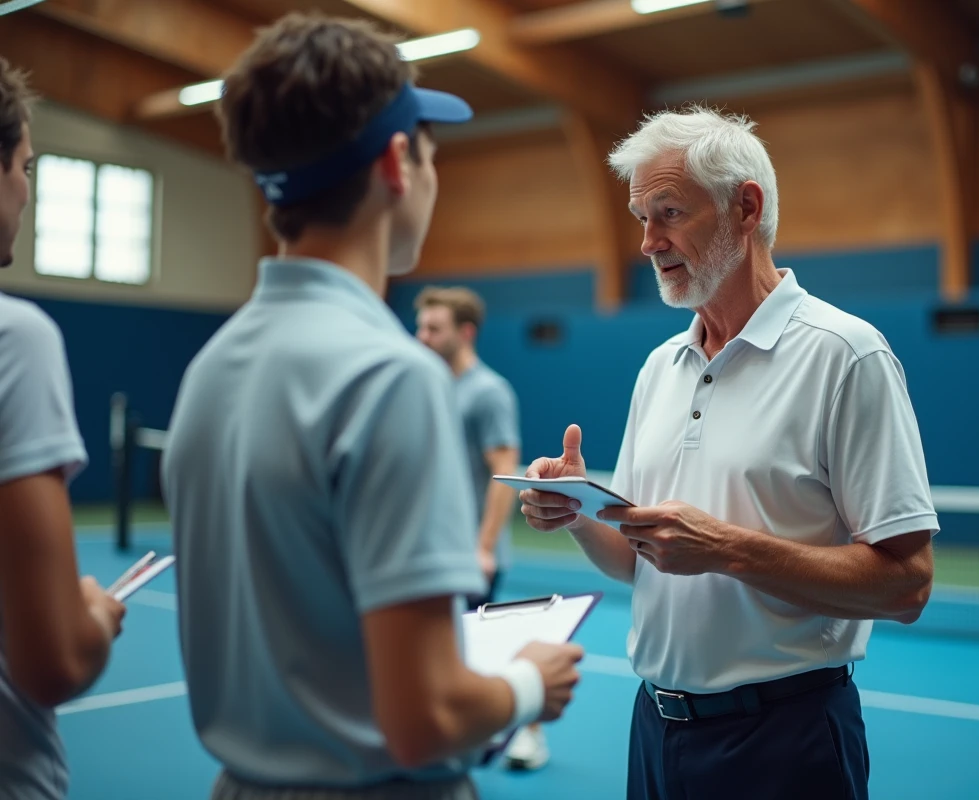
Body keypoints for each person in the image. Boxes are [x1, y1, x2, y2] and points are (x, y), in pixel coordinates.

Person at [159, 15, 582, 800]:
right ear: (397, 163)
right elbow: (424, 715)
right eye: (430, 151)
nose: (432, 172)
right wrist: (529, 684)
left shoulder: (210, 368)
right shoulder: (392, 378)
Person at [519, 107, 939, 799]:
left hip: (786, 741)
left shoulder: (846, 355)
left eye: (669, 213)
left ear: (746, 207)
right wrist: (578, 511)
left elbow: (907, 585)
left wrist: (726, 548)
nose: (649, 242)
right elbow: (638, 558)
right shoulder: (659, 367)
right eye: (640, 218)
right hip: (654, 731)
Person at [0, 57, 127, 799]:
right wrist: (93, 617)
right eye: (25, 166)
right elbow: (54, 663)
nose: (28, 190)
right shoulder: (17, 340)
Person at [414, 287, 548, 771]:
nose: (422, 336)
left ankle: (529, 731)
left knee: (489, 653)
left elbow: (503, 471)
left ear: (465, 333)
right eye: (421, 327)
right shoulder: (428, 386)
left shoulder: (488, 392)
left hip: (472, 555)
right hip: (431, 551)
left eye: (434, 328)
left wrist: (483, 546)